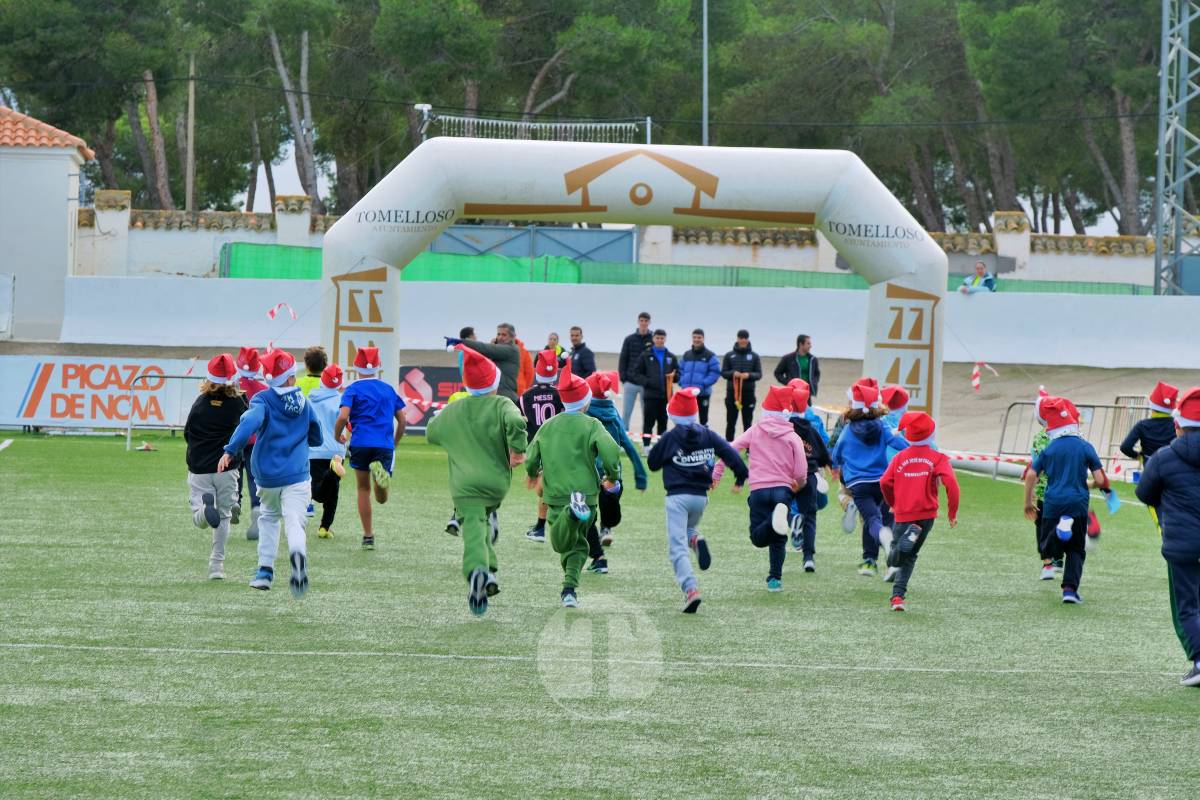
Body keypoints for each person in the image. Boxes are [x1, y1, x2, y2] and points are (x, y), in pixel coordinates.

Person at [427, 346, 528, 616]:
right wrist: (518, 450)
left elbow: (431, 433)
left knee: (472, 527)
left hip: (465, 486)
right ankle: (490, 571)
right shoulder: (503, 404)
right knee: (481, 522)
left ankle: (476, 571)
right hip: (495, 484)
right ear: (494, 383)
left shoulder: (454, 409)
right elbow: (516, 421)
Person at [218, 349, 322, 597]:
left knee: (269, 518)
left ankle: (265, 572)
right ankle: (297, 553)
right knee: (295, 521)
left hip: (268, 477)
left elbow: (249, 423)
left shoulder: (262, 400)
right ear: (291, 377)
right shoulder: (304, 403)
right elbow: (317, 436)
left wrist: (231, 450)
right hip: (298, 475)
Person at [524, 368, 623, 608]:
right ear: (585, 402)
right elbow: (611, 450)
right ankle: (569, 590)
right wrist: (612, 476)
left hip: (557, 496)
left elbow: (531, 456)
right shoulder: (593, 424)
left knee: (560, 544)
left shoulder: (548, 426)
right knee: (579, 545)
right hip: (587, 496)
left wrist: (532, 473)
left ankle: (571, 513)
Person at [648, 388, 748, 612]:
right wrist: (740, 476)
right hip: (700, 498)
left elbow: (653, 463)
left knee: (677, 547)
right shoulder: (708, 434)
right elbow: (730, 453)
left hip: (677, 497)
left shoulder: (670, 437)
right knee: (687, 529)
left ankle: (690, 589)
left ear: (673, 414)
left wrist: (668, 455)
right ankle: (695, 539)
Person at [712, 385, 808, 593]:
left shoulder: (755, 430)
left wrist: (717, 472)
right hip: (783, 490)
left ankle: (774, 522)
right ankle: (774, 579)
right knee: (779, 539)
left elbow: (730, 450)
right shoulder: (792, 437)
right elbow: (801, 469)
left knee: (757, 538)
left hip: (758, 490)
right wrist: (798, 482)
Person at [1135, 386, 1200, 686]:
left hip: (1181, 545)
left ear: (1178, 425)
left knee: (1187, 606)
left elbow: (1144, 493)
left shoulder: (1164, 457)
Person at [1022, 395, 1111, 604]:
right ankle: (1070, 591)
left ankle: (1059, 532)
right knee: (1076, 549)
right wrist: (1088, 484)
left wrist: (1027, 502)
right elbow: (1100, 479)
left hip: (1053, 502)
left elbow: (1032, 474)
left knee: (1047, 547)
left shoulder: (1050, 448)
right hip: (1078, 503)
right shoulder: (1085, 446)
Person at [880, 412, 960, 611]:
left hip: (903, 513)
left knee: (895, 556)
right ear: (932, 434)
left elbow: (885, 482)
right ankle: (897, 598)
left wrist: (893, 502)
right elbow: (952, 484)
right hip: (926, 515)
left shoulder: (899, 457)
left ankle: (896, 556)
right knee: (911, 556)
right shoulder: (938, 458)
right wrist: (952, 512)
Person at [831, 379, 910, 579]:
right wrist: (915, 451)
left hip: (859, 484)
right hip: (883, 482)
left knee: (873, 520)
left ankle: (874, 555)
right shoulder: (882, 425)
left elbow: (837, 453)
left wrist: (836, 465)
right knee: (884, 518)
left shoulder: (848, 429)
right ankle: (880, 562)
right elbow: (898, 442)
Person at [334, 347, 407, 550]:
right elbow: (402, 420)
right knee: (381, 499)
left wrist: (337, 435)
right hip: (384, 444)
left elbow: (343, 417)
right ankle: (381, 480)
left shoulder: (352, 390)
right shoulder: (388, 389)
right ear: (378, 366)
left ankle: (368, 536)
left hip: (360, 443)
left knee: (362, 489)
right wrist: (395, 442)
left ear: (355, 367)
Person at [183, 354, 247, 580]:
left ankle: (202, 511)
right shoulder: (238, 404)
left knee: (199, 518)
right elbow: (246, 430)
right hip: (226, 468)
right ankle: (216, 565)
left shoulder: (200, 403)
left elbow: (187, 433)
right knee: (224, 515)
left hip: (200, 467)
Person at [583, 371, 647, 561]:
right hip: (612, 472)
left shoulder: (584, 414)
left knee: (587, 507)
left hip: (589, 470)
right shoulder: (613, 413)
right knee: (609, 501)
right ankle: (606, 529)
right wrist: (641, 477)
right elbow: (628, 445)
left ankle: (593, 540)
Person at [787, 380, 833, 572]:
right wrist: (830, 464)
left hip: (787, 473)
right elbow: (824, 443)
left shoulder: (782, 422)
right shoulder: (814, 421)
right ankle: (808, 558)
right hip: (811, 472)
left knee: (785, 505)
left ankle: (794, 522)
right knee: (811, 513)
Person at [521, 350, 565, 543]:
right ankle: (540, 527)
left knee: (546, 488)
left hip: (537, 448)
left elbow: (519, 422)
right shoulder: (560, 394)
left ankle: (544, 527)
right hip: (559, 446)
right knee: (549, 487)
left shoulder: (525, 396)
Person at [308, 364, 347, 540]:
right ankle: (324, 527)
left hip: (315, 450)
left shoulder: (311, 398)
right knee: (333, 492)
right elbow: (347, 420)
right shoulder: (342, 400)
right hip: (337, 450)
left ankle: (332, 472)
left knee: (317, 492)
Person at [234, 346, 268, 540]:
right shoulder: (263, 390)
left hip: (234, 439)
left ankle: (234, 501)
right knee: (254, 478)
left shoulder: (232, 387)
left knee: (233, 473)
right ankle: (256, 507)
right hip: (256, 441)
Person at [445, 323, 521, 403]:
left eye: (504, 335)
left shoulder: (512, 349)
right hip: (496, 396)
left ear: (512, 337)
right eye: (498, 334)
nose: (500, 337)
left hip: (506, 397)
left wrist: (462, 342)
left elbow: (487, 349)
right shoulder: (498, 350)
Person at [630, 328, 678, 449]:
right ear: (653, 339)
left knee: (663, 423)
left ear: (665, 339)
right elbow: (636, 373)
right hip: (650, 396)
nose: (660, 340)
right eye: (657, 338)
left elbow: (678, 375)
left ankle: (661, 447)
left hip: (666, 396)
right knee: (648, 422)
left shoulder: (671, 357)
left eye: (662, 338)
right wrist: (648, 382)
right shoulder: (645, 355)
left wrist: (674, 376)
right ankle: (646, 446)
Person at [1121, 381, 1180, 465]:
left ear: (1152, 406)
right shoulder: (1177, 425)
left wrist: (1138, 456)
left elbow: (1125, 447)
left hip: (1149, 465)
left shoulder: (1142, 425)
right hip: (1171, 464)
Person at [721, 329, 762, 441]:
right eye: (741, 338)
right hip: (732, 394)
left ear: (748, 339)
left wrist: (748, 375)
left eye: (745, 338)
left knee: (747, 423)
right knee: (730, 422)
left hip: (749, 394)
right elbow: (723, 373)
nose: (743, 340)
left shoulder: (754, 356)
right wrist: (733, 373)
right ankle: (729, 445)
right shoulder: (729, 355)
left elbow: (759, 374)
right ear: (737, 339)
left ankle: (748, 447)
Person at [678, 328, 721, 426]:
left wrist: (703, 384)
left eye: (699, 337)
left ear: (703, 338)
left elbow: (715, 372)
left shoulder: (710, 355)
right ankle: (687, 435)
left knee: (703, 419)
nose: (696, 339)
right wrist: (682, 382)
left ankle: (703, 435)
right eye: (694, 337)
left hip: (703, 393)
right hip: (687, 393)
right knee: (686, 419)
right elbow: (680, 370)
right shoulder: (686, 355)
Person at [618, 312, 654, 425]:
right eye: (641, 320)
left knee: (647, 413)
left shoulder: (653, 339)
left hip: (646, 384)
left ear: (649, 322)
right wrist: (624, 379)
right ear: (638, 322)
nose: (643, 323)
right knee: (626, 413)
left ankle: (646, 435)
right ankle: (623, 434)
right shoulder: (629, 339)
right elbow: (623, 359)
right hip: (630, 382)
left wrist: (651, 380)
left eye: (646, 321)